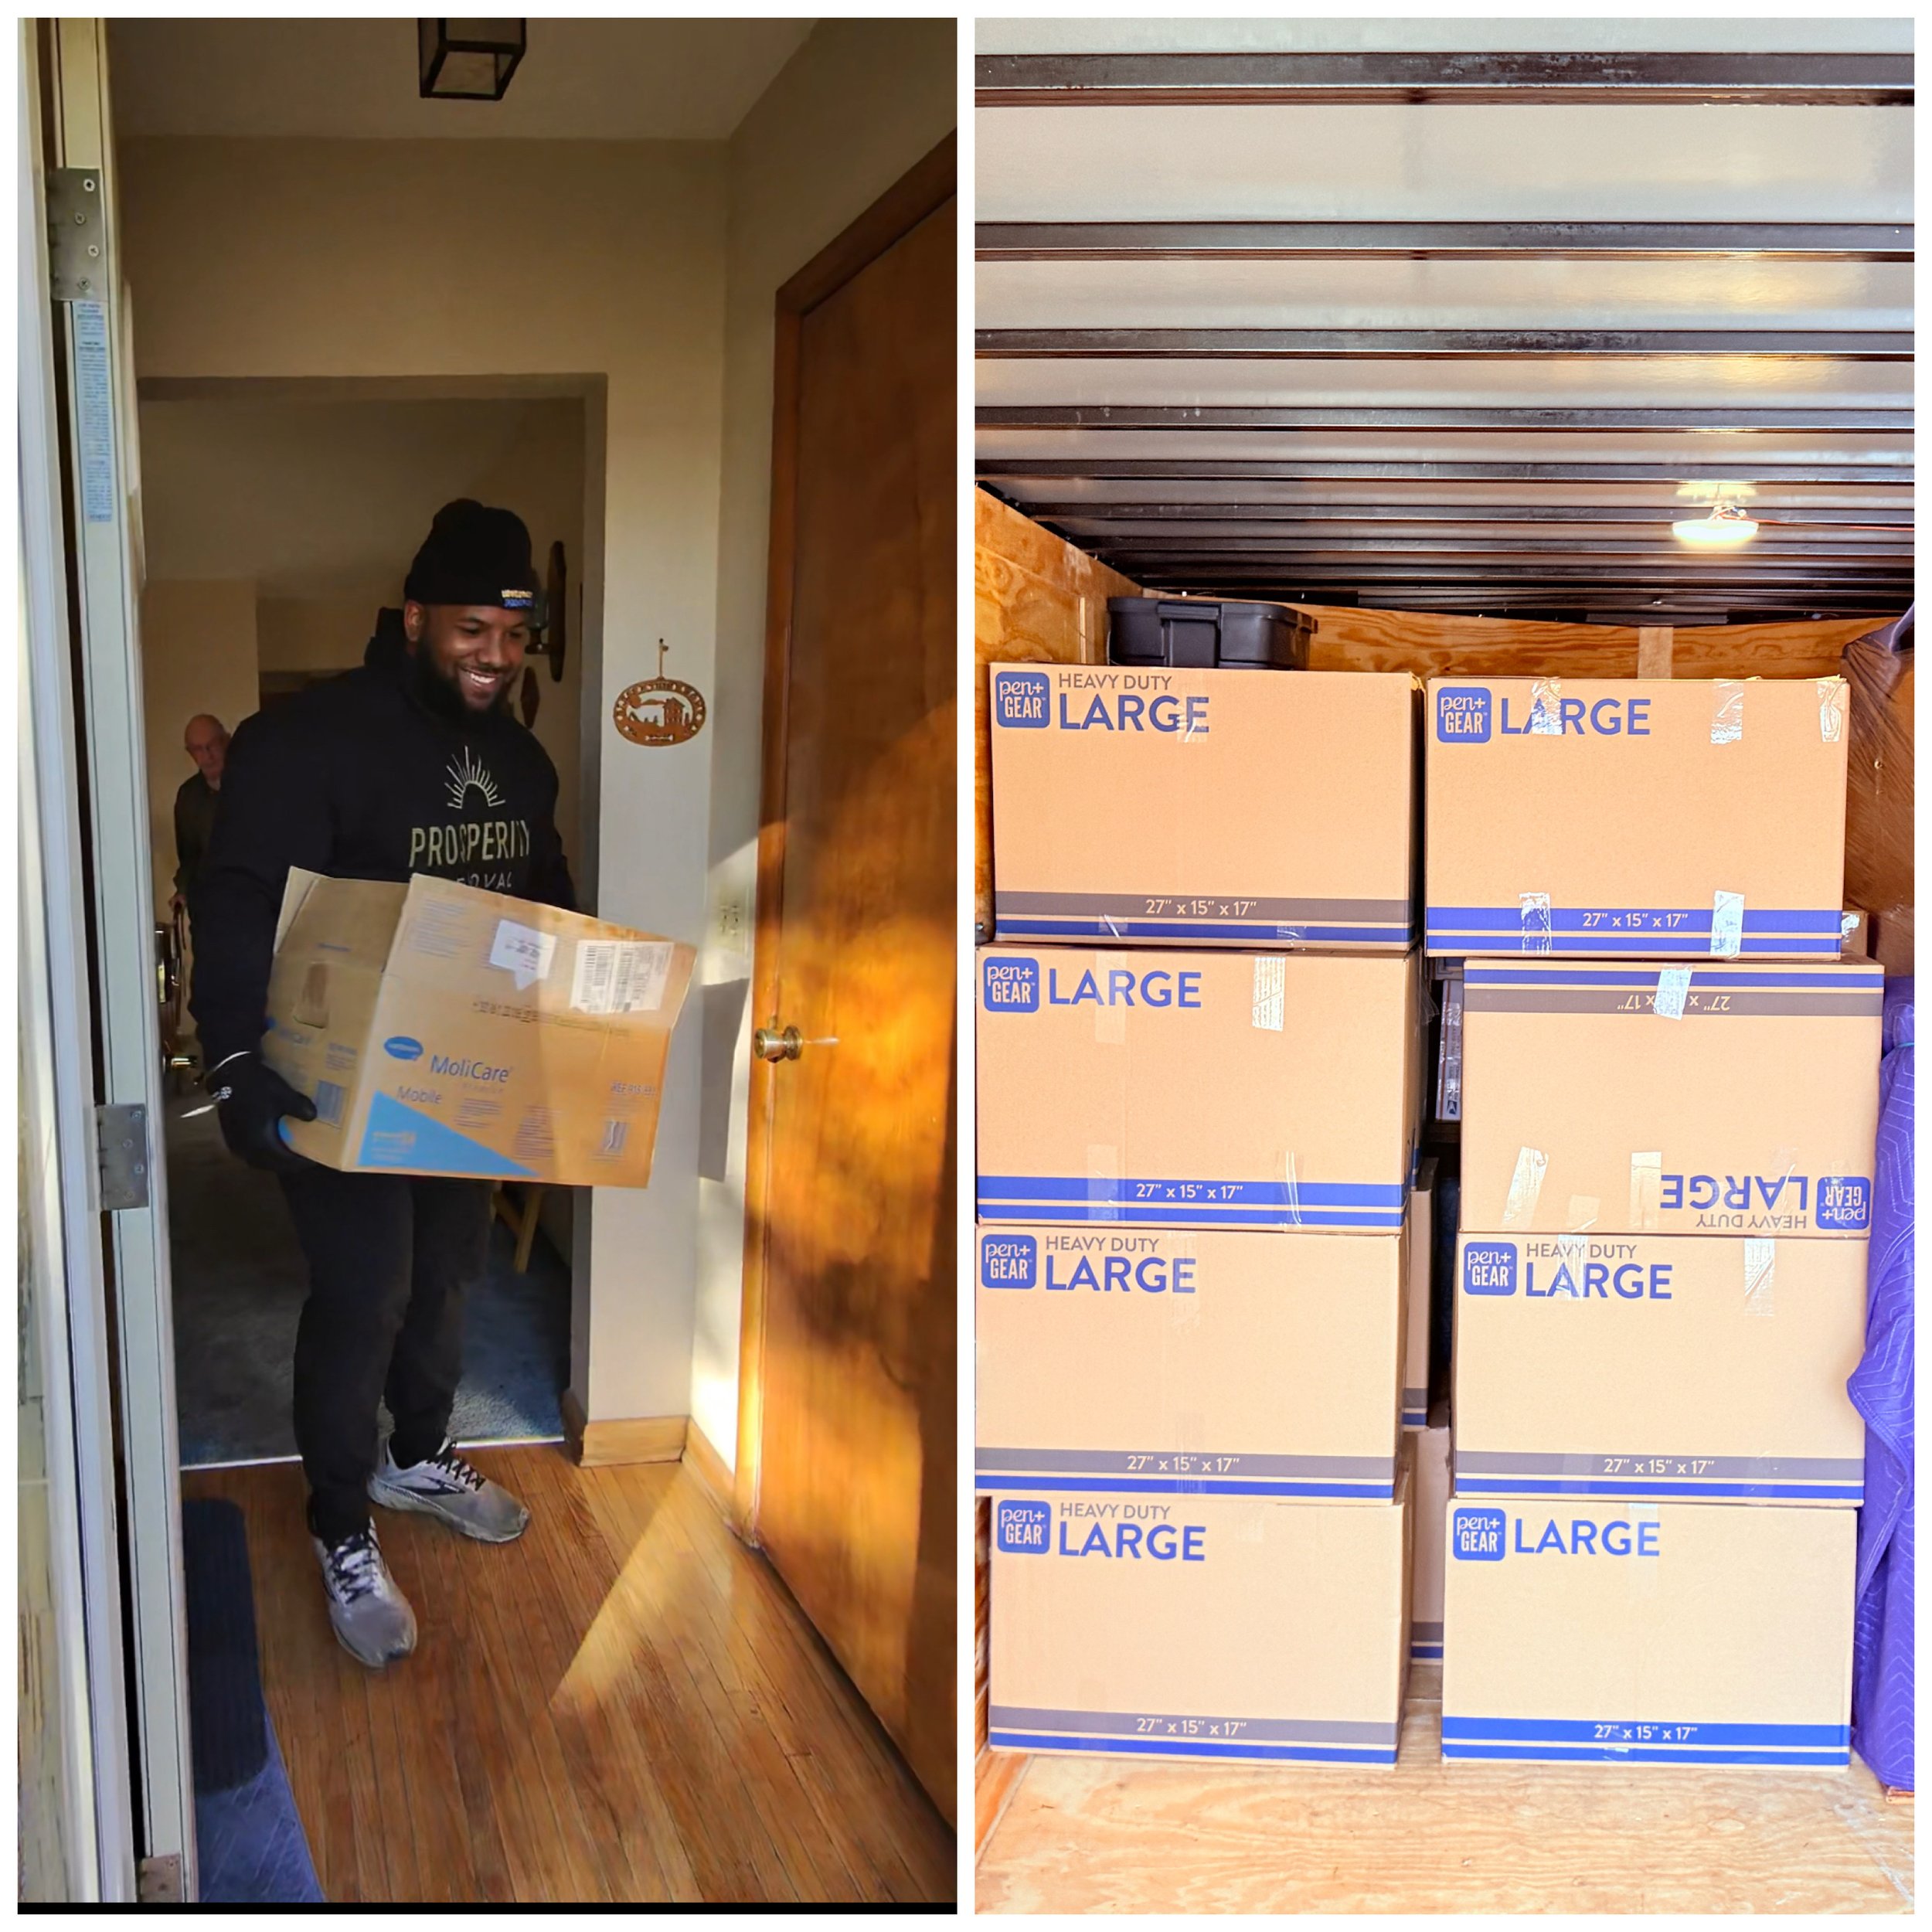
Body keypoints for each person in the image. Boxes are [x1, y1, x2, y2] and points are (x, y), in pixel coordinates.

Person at [190, 499, 574, 1670]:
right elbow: (240, 895)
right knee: (367, 1291)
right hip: (334, 1082)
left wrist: (570, 1032)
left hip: (461, 1081)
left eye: (513, 638)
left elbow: (540, 898)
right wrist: (233, 1059)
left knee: (449, 1278)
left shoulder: (518, 757)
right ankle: (341, 1521)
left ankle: (417, 1456)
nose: (494, 658)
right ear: (414, 617)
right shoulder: (307, 742)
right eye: (471, 631)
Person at [172, 713, 230, 919]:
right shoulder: (188, 796)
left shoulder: (251, 784)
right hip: (209, 907)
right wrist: (183, 890)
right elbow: (189, 856)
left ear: (226, 741)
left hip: (255, 903)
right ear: (190, 753)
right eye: (198, 749)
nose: (207, 755)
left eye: (212, 745)